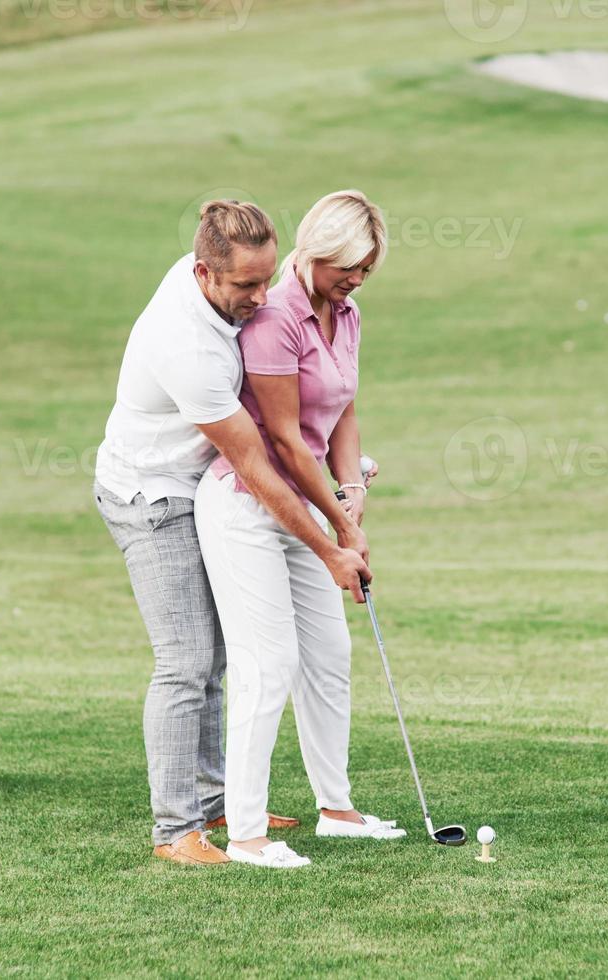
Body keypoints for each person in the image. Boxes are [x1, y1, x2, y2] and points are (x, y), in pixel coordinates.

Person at [94, 200, 372, 867]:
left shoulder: (233, 290)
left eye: (266, 279)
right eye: (245, 286)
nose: (260, 298)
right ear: (203, 273)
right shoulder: (187, 345)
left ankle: (218, 799)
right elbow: (258, 464)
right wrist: (331, 544)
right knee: (186, 662)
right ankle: (174, 829)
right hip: (149, 494)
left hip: (197, 485)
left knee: (220, 654)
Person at [194, 190, 400, 870]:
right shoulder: (275, 316)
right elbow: (282, 439)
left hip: (308, 504)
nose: (357, 279)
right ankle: (247, 833)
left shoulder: (348, 315)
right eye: (348, 265)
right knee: (268, 662)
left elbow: (342, 412)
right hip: (248, 506)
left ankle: (337, 809)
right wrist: (341, 525)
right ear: (316, 251)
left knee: (329, 654)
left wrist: (351, 495)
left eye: (367, 269)